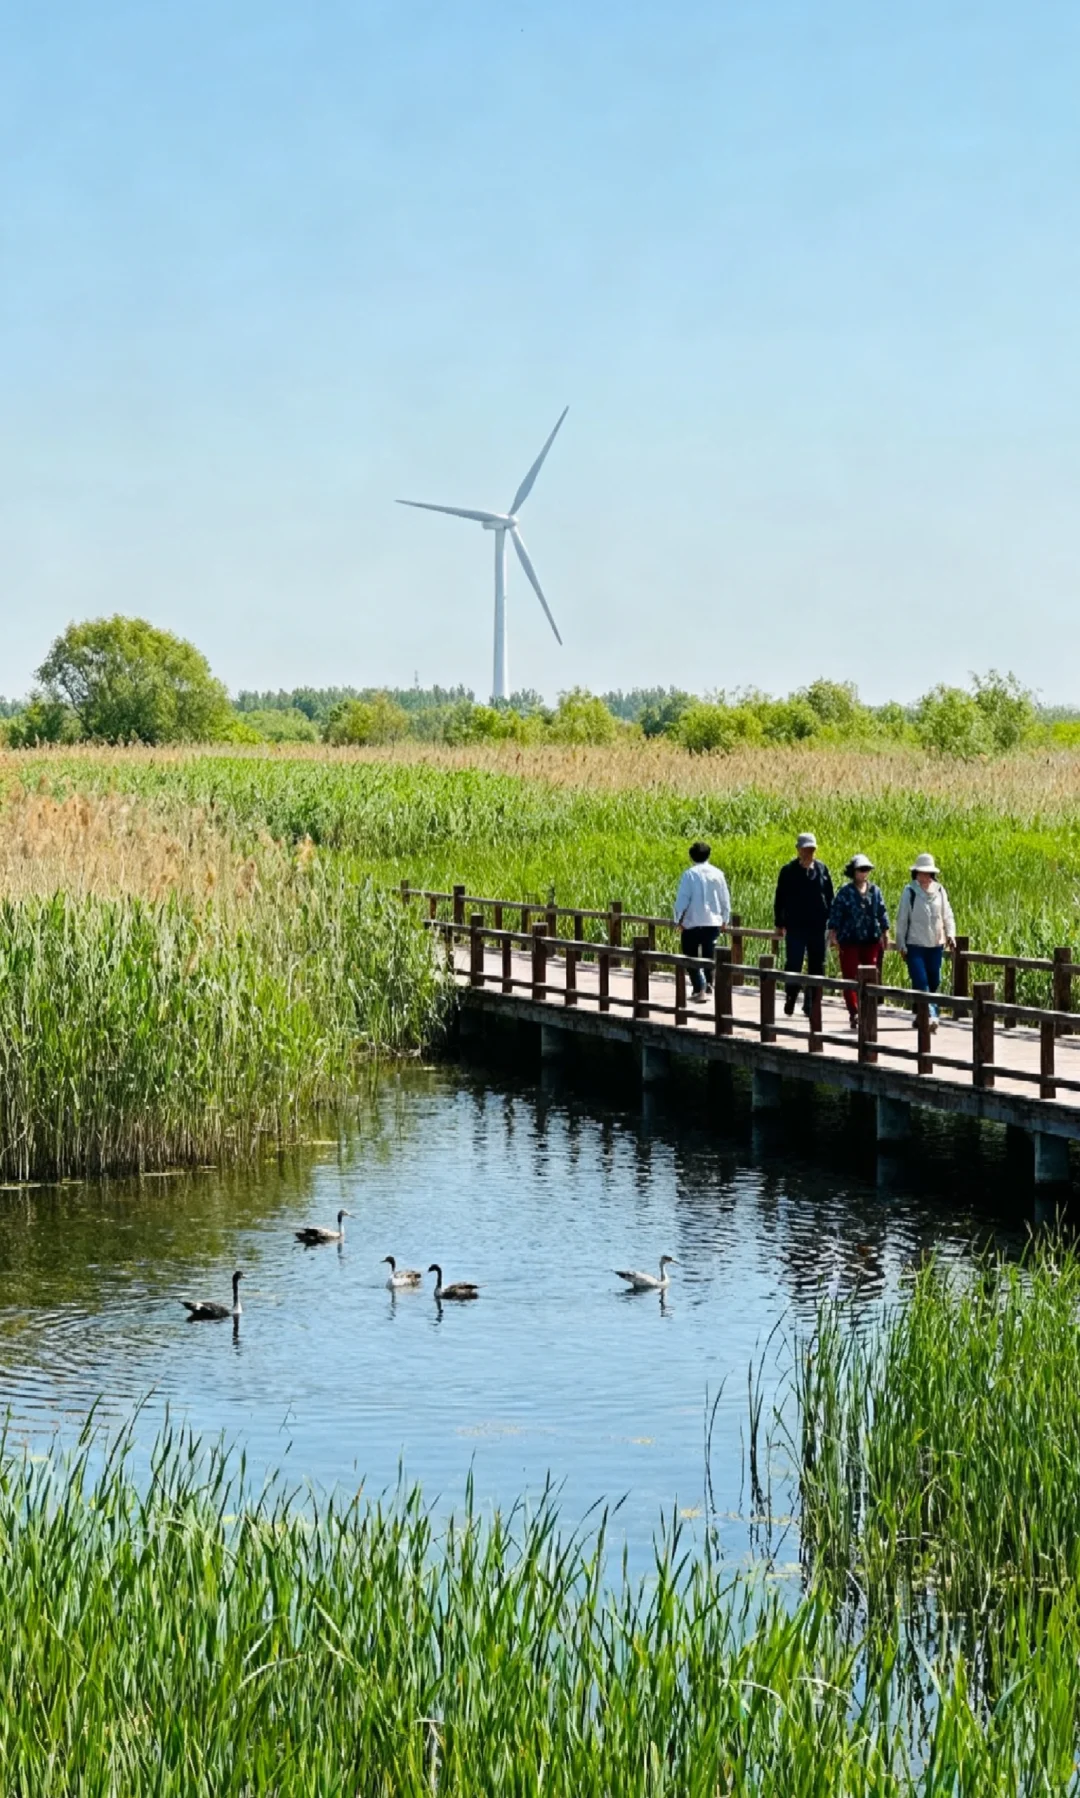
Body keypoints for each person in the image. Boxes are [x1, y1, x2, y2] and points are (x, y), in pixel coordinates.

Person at [894, 852, 956, 1031]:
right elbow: (902, 919)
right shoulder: (910, 891)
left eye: (929, 873)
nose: (925, 876)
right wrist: (901, 944)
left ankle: (920, 1015)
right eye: (922, 872)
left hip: (935, 944)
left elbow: (947, 915)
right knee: (921, 981)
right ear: (916, 873)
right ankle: (932, 1016)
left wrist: (950, 934)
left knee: (934, 981)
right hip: (915, 945)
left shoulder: (940, 890)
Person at [774, 833, 835, 1016]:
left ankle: (811, 1003)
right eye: (806, 849)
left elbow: (830, 897)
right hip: (796, 926)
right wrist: (779, 923)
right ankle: (791, 996)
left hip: (818, 926)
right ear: (798, 850)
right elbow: (780, 899)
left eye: (812, 849)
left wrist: (832, 924)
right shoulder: (788, 871)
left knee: (817, 965)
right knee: (794, 963)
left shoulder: (822, 869)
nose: (809, 853)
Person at [827, 854, 889, 1028]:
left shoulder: (875, 891)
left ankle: (868, 1009)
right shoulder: (845, 892)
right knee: (850, 976)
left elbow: (882, 912)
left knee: (870, 976)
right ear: (853, 872)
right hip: (850, 940)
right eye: (861, 870)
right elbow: (836, 913)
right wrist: (833, 932)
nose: (864, 873)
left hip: (871, 938)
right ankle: (854, 1012)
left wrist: (885, 932)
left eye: (867, 870)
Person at [674, 841, 731, 1002]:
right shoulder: (718, 874)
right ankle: (709, 984)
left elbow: (683, 899)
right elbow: (724, 898)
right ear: (708, 855)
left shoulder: (689, 874)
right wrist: (725, 918)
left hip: (692, 921)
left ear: (691, 856)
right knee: (708, 955)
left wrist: (678, 919)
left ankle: (700, 987)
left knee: (690, 956)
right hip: (713, 922)